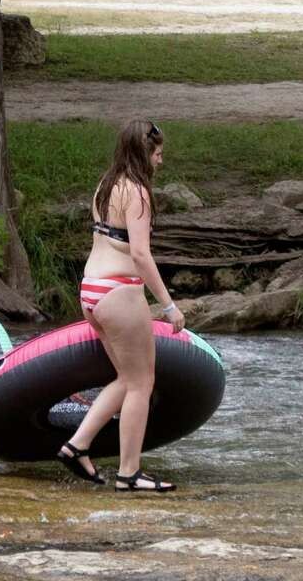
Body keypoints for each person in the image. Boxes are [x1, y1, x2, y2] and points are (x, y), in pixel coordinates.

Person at [56, 119, 184, 492]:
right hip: (120, 293)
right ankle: (130, 474)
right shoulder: (138, 193)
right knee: (143, 383)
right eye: (158, 154)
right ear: (144, 154)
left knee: (127, 379)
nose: (160, 162)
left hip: (91, 291)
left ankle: (76, 445)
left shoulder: (105, 185)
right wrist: (168, 304)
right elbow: (141, 256)